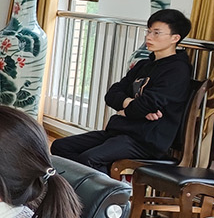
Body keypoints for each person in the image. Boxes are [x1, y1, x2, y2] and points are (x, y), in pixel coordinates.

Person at [51, 9, 194, 172]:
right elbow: (112, 94)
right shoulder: (143, 65)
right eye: (148, 31)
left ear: (175, 38)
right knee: (60, 146)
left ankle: (103, 187)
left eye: (156, 33)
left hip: (145, 140)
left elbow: (145, 104)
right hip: (120, 132)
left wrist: (125, 110)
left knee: (89, 159)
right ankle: (95, 182)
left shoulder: (177, 70)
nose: (148, 37)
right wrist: (130, 104)